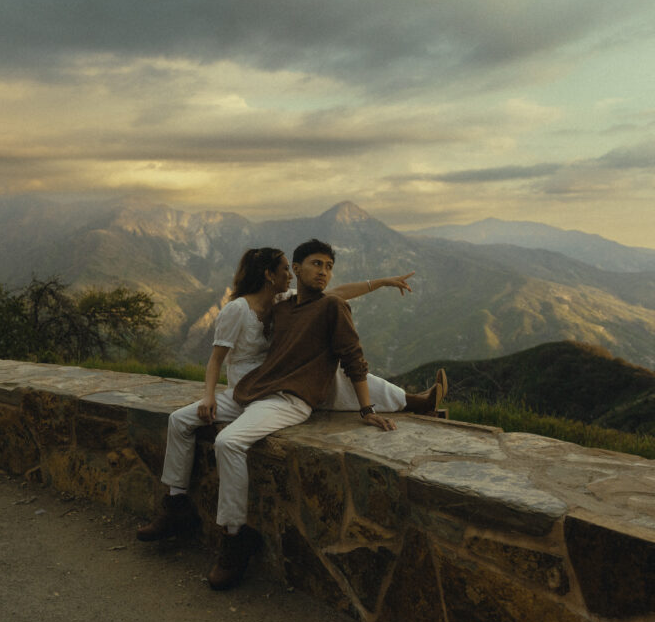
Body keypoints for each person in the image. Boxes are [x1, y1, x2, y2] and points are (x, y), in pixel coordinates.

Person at [137, 240, 447, 590]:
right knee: (179, 419)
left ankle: (236, 536)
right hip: (254, 390)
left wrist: (367, 410)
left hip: (288, 398)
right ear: (294, 271)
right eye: (316, 264)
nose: (325, 272)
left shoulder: (330, 305)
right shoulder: (282, 306)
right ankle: (176, 504)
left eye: (329, 266)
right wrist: (212, 394)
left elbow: (353, 356)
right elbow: (221, 355)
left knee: (229, 441)